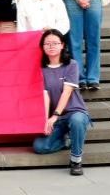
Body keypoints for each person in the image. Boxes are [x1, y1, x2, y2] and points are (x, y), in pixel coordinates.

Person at [32, 28, 92, 176]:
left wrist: (55, 115)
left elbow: (67, 92)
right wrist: (46, 120)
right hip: (57, 118)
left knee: (77, 120)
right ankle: (67, 140)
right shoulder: (41, 69)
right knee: (39, 146)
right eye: (47, 43)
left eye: (55, 43)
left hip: (74, 112)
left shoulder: (71, 65)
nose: (51, 46)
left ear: (62, 45)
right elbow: (45, 95)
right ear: (42, 47)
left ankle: (76, 160)